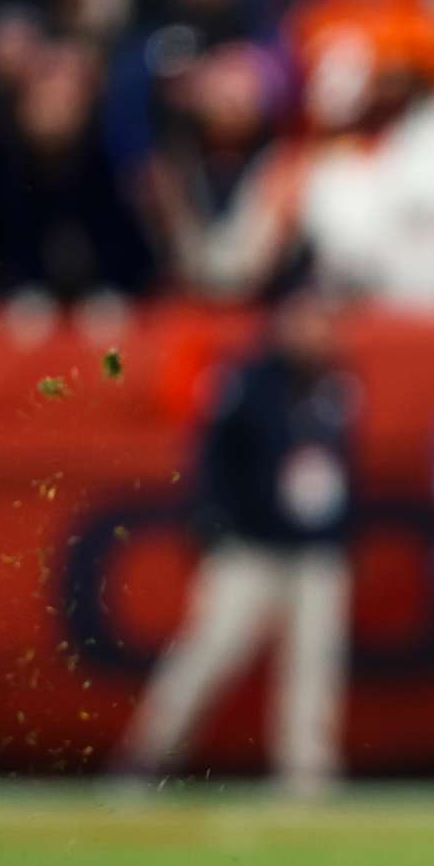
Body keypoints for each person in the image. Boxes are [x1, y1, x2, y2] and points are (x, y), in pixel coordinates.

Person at [110, 288, 357, 797]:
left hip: (315, 548)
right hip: (250, 546)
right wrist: (216, 527)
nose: (317, 332)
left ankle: (306, 773)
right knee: (209, 652)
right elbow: (213, 461)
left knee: (315, 664)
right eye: (307, 320)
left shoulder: (336, 383)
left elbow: (341, 465)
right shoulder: (244, 380)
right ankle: (147, 756)